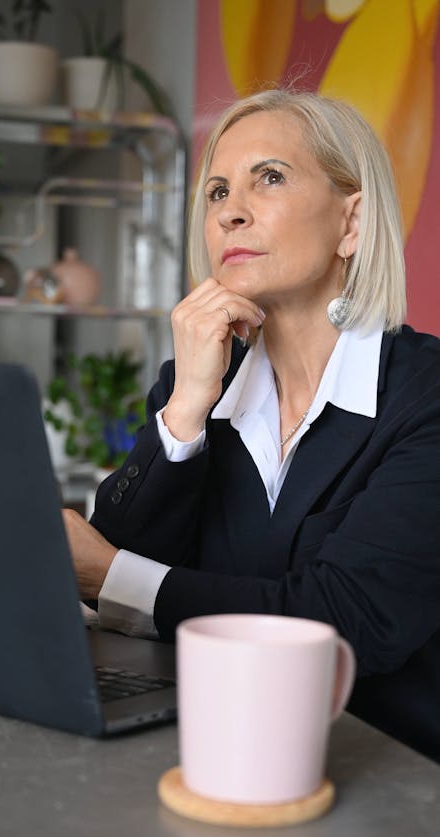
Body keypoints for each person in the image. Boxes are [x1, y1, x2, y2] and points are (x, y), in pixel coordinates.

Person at [63, 87, 440, 762]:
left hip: (392, 777)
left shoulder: (427, 393)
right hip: (213, 744)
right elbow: (119, 556)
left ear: (351, 223)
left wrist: (113, 575)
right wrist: (184, 410)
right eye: (215, 192)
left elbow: (346, 619)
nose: (231, 211)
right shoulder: (202, 379)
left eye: (269, 177)